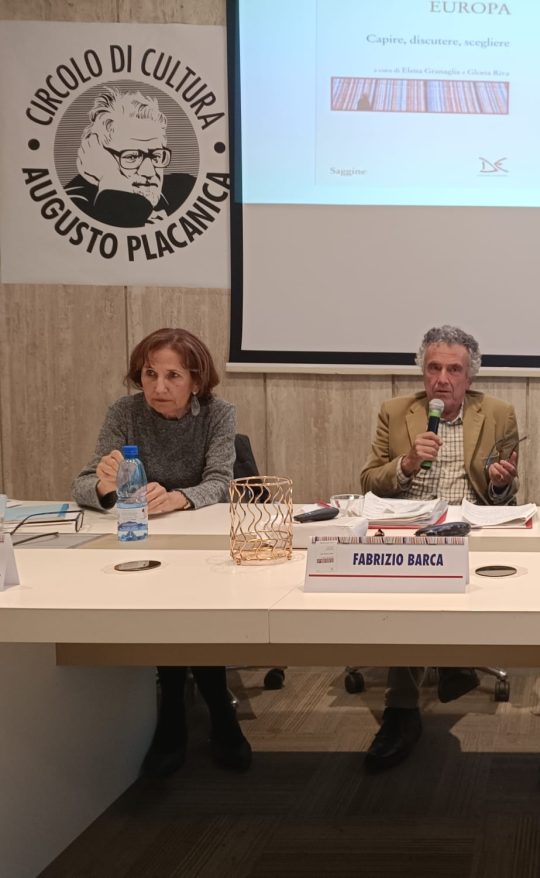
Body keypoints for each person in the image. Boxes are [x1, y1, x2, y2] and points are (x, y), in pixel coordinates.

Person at [72, 328, 250, 777]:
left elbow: (221, 482)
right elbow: (83, 484)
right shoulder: (125, 412)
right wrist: (105, 486)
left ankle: (203, 711)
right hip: (142, 539)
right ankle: (184, 710)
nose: (158, 387)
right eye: (150, 374)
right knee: (162, 607)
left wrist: (178, 498)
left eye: (173, 376)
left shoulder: (218, 413)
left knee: (195, 609)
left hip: (199, 542)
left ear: (196, 380)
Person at [359, 325, 520, 772]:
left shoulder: (499, 413)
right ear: (422, 372)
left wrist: (500, 483)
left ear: (470, 377)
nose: (442, 380)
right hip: (409, 526)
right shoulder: (396, 411)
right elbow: (369, 481)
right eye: (434, 368)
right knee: (409, 587)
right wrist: (408, 462)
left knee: (439, 577)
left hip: (470, 527)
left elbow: (506, 493)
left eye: (454, 370)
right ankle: (404, 708)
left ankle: (447, 664)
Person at [64, 87, 195, 228]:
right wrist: (110, 181)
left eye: (156, 156)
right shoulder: (71, 205)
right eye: (132, 157)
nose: (149, 172)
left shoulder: (186, 190)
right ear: (99, 155)